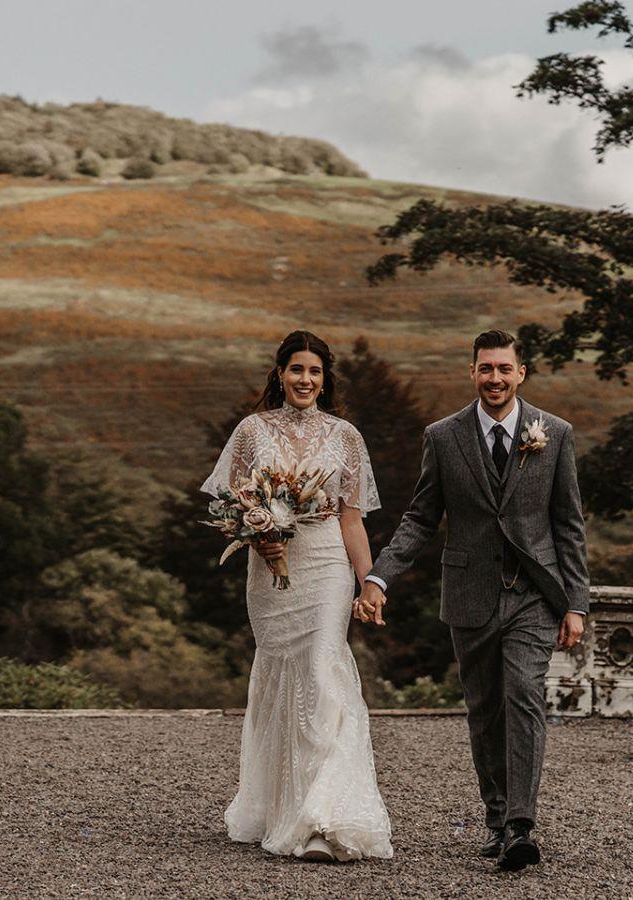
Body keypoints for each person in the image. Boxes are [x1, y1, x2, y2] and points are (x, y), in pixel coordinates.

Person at [359, 329, 589, 872]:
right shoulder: (443, 437)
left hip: (536, 594)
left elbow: (569, 524)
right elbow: (420, 518)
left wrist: (576, 602)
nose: (495, 379)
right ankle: (496, 817)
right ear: (472, 373)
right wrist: (378, 577)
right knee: (485, 712)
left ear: (521, 373)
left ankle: (520, 825)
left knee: (525, 695)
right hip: (469, 595)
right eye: (485, 369)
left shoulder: (554, 434)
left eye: (504, 369)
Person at [201, 330, 393, 863]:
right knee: (282, 673)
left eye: (314, 371)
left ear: (325, 378)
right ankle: (280, 807)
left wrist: (368, 581)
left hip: (328, 563)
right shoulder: (251, 432)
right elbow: (231, 504)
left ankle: (323, 817)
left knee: (321, 669)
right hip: (269, 571)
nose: (305, 379)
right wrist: (255, 533)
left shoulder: (346, 436)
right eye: (296, 370)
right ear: (280, 373)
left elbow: (352, 518)